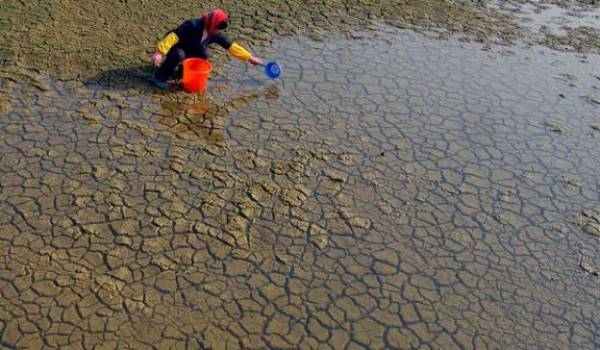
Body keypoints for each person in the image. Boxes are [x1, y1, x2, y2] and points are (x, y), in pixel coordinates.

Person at [150, 9, 262, 89]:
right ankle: (159, 77)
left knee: (204, 55)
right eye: (217, 28)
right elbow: (173, 37)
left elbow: (231, 46)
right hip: (175, 46)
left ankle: (180, 74)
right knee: (179, 55)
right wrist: (159, 53)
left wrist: (249, 57)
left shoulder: (215, 34)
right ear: (211, 22)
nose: (218, 31)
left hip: (190, 47)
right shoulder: (192, 25)